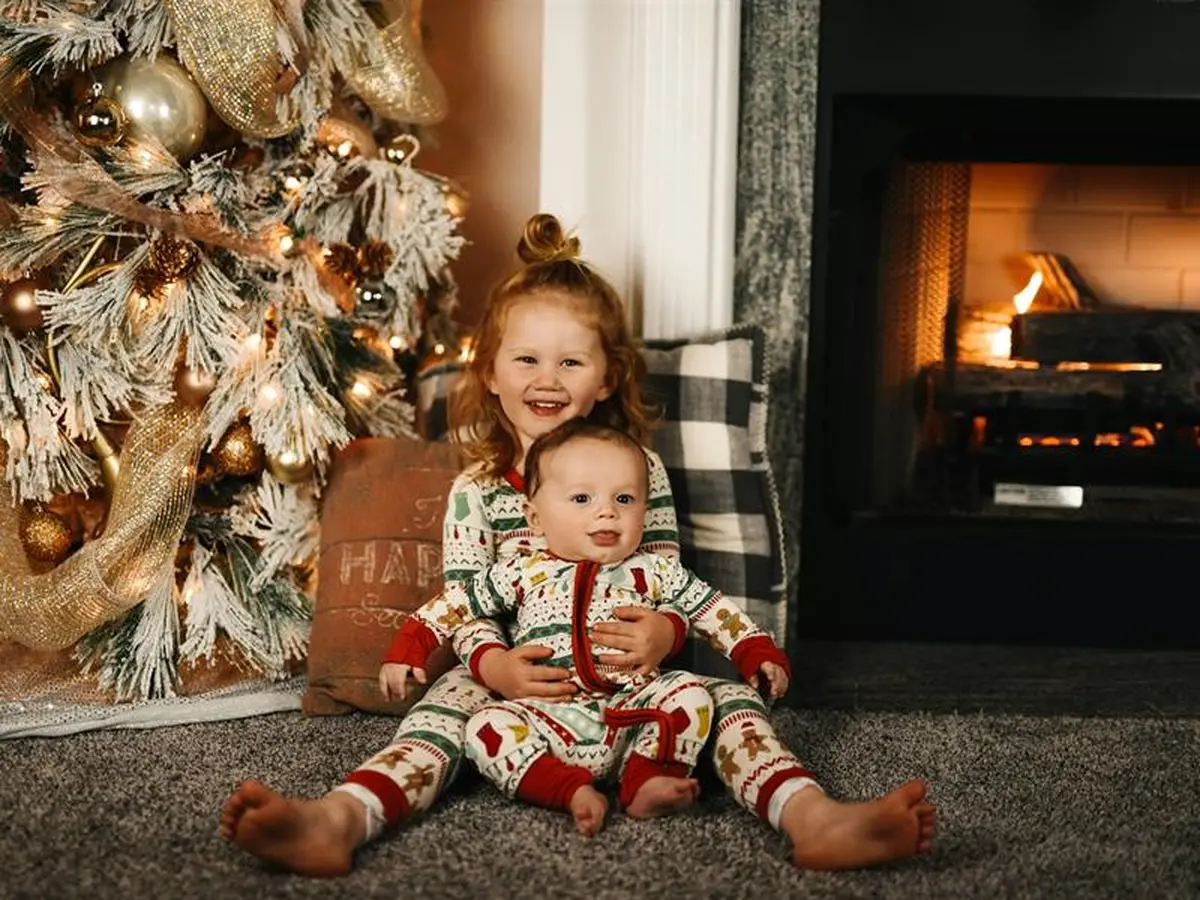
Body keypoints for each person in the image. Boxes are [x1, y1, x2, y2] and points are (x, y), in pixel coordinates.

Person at [220, 212, 936, 876]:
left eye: (571, 363)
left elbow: (664, 575)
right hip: (518, 685)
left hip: (636, 684)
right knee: (440, 708)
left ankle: (813, 818)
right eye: (526, 360)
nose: (547, 379)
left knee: (728, 705)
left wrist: (665, 631)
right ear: (490, 371)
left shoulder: (638, 469)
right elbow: (467, 602)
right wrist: (495, 665)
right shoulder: (477, 489)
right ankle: (340, 820)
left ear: (607, 378)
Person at [384, 418, 791, 836]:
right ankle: (568, 790)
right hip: (549, 714)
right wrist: (412, 644)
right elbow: (458, 603)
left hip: (634, 710)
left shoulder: (653, 571)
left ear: (645, 511)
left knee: (688, 692)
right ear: (535, 519)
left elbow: (711, 608)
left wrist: (753, 650)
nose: (607, 511)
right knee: (486, 727)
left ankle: (649, 777)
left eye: (625, 499)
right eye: (582, 498)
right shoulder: (522, 571)